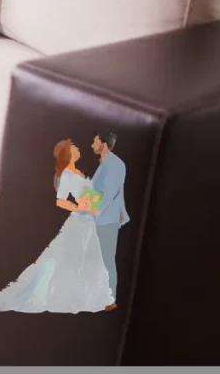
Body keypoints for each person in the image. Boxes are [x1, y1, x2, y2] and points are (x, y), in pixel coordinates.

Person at [0, 139, 115, 313]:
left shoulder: (78, 172)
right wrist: (79, 207)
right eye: (73, 147)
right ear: (68, 153)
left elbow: (89, 194)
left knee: (90, 256)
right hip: (79, 220)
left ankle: (98, 298)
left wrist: (94, 205)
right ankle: (62, 295)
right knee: (72, 257)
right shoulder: (67, 176)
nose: (77, 148)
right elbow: (60, 200)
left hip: (89, 220)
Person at [90, 130, 129, 311]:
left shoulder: (114, 164)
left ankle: (109, 298)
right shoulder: (104, 164)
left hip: (107, 219)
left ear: (103, 144)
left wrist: (94, 210)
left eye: (95, 141)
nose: (92, 144)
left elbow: (109, 192)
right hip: (98, 218)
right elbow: (96, 191)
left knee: (106, 258)